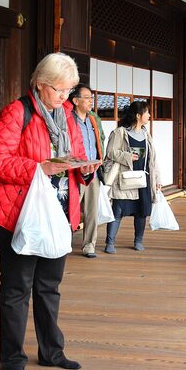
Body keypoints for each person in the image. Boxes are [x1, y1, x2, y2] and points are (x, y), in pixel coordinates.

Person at [0, 53, 99, 370]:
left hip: (57, 213)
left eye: (69, 91)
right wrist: (37, 168)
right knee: (17, 287)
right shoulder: (18, 112)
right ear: (41, 85)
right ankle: (13, 358)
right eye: (61, 91)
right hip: (19, 214)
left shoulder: (65, 116)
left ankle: (52, 352)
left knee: (50, 286)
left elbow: (73, 159)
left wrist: (84, 169)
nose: (66, 98)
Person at [103, 101, 162, 253]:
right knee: (118, 211)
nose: (149, 115)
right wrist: (128, 156)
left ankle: (138, 241)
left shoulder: (146, 135)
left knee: (141, 212)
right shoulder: (120, 133)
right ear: (138, 115)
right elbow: (110, 153)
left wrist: (157, 180)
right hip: (125, 179)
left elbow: (153, 160)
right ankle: (110, 243)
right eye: (147, 112)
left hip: (143, 179)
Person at [68, 85, 106, 258]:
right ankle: (63, 241)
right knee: (70, 209)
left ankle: (89, 245)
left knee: (92, 211)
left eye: (91, 98)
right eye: (87, 97)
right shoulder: (69, 120)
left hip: (94, 171)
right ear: (75, 101)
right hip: (75, 172)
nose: (91, 101)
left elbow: (100, 141)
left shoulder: (92, 120)